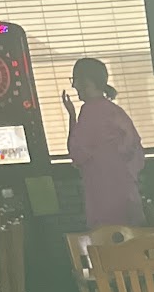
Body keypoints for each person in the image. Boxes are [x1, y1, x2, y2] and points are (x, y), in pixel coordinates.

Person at [62, 58, 145, 228]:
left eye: (75, 80)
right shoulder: (114, 110)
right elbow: (136, 153)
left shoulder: (90, 111)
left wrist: (71, 117)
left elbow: (77, 153)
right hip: (126, 192)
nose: (74, 85)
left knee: (107, 239)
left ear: (87, 81)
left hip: (103, 193)